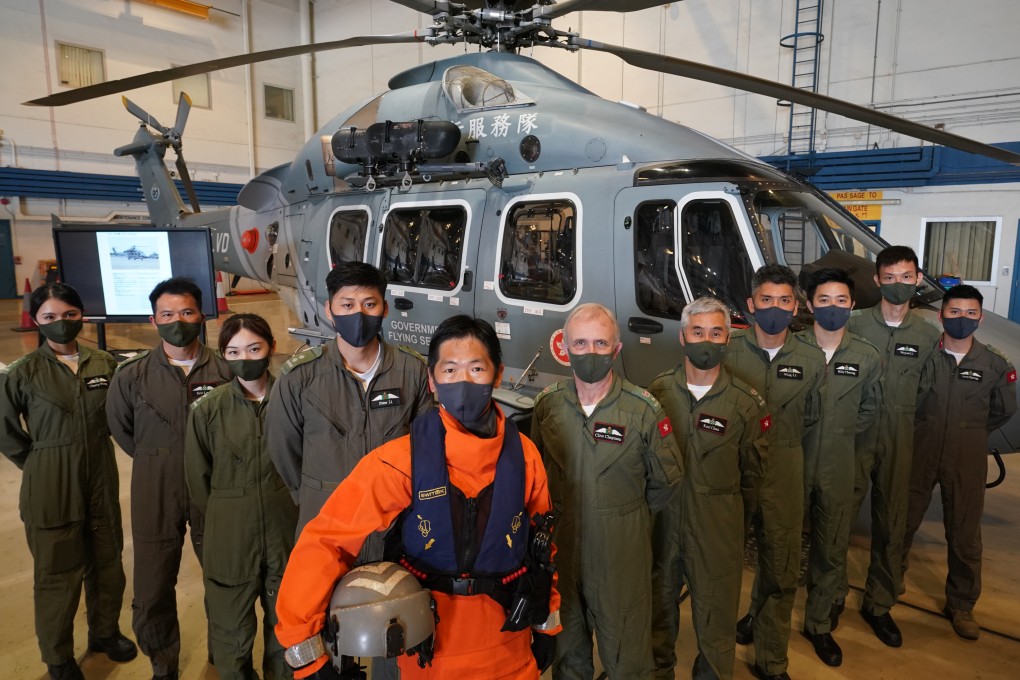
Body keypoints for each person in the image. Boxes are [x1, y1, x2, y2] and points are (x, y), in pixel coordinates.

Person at [275, 315, 561, 679]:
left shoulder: (524, 458)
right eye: (450, 370)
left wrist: (547, 624)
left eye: (476, 369)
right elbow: (326, 541)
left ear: (498, 375)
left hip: (511, 650)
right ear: (431, 380)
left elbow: (541, 550)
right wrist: (304, 646)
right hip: (430, 653)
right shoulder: (398, 462)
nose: (463, 381)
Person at [531, 303, 684, 680]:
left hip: (621, 552)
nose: (591, 352)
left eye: (601, 343)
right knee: (567, 653)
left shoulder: (643, 410)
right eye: (580, 343)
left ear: (616, 350)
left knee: (627, 654)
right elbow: (537, 470)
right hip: (562, 547)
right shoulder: (548, 405)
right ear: (564, 348)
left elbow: (665, 483)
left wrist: (622, 512)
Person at [0, 283, 137, 680]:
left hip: (100, 475)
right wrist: (41, 463)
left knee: (107, 561)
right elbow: (6, 432)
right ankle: (58, 656)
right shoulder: (23, 372)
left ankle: (105, 633)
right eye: (50, 317)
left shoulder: (103, 363)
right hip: (50, 483)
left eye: (69, 315)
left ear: (82, 316)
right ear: (36, 321)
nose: (61, 323)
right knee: (57, 573)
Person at [106, 276, 232, 680]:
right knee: (153, 584)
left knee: (224, 578)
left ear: (202, 315)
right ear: (153, 320)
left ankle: (224, 653)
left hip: (216, 488)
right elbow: (123, 430)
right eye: (167, 314)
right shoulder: (131, 376)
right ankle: (163, 664)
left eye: (187, 312)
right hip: (155, 489)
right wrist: (159, 460)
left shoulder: (227, 370)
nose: (177, 321)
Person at [267, 261, 433, 549]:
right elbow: (283, 449)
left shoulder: (412, 371)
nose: (358, 314)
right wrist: (313, 493)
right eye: (347, 305)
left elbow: (426, 445)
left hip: (394, 526)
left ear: (385, 309)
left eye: (369, 304)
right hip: (326, 524)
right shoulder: (300, 377)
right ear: (329, 310)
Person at [648, 296, 770, 680]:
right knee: (656, 616)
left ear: (727, 339)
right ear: (682, 337)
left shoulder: (745, 404)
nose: (706, 341)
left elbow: (752, 478)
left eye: (716, 333)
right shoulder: (657, 393)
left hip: (717, 530)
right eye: (698, 332)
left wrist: (729, 522)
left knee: (716, 625)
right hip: (664, 527)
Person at [185, 313, 298, 679]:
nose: (244, 358)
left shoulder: (294, 403)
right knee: (231, 631)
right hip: (230, 537)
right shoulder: (207, 411)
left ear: (272, 348)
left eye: (254, 348)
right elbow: (199, 481)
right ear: (223, 355)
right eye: (233, 351)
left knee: (287, 626)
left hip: (285, 531)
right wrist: (232, 511)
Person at [726, 264, 825, 680]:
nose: (775, 308)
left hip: (785, 469)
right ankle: (716, 657)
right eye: (766, 300)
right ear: (751, 304)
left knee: (781, 567)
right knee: (722, 567)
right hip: (732, 472)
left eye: (784, 301)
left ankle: (772, 659)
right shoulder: (727, 351)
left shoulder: (812, 358)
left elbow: (813, 418)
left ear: (796, 307)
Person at [903, 285, 1016, 640]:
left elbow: (1003, 410)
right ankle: (888, 583)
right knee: (901, 521)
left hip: (966, 457)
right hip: (921, 450)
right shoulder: (923, 357)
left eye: (970, 313)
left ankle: (962, 604)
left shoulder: (995, 364)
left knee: (965, 533)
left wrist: (969, 431)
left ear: (980, 319)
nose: (961, 319)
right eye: (954, 312)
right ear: (941, 316)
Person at [841, 246, 940, 648]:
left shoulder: (928, 335)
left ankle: (879, 604)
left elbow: (928, 390)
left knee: (892, 521)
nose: (898, 284)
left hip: (901, 435)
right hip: (855, 433)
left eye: (906, 277)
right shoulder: (853, 325)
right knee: (838, 516)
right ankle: (829, 596)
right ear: (877, 280)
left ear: (917, 279)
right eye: (890, 277)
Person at [797, 269, 882, 667]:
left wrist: (837, 434)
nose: (833, 307)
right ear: (809, 304)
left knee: (831, 547)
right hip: (792, 463)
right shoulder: (790, 350)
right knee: (777, 545)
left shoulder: (867, 356)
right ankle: (762, 614)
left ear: (852, 305)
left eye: (841, 300)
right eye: (824, 300)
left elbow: (869, 410)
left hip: (838, 464)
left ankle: (818, 624)